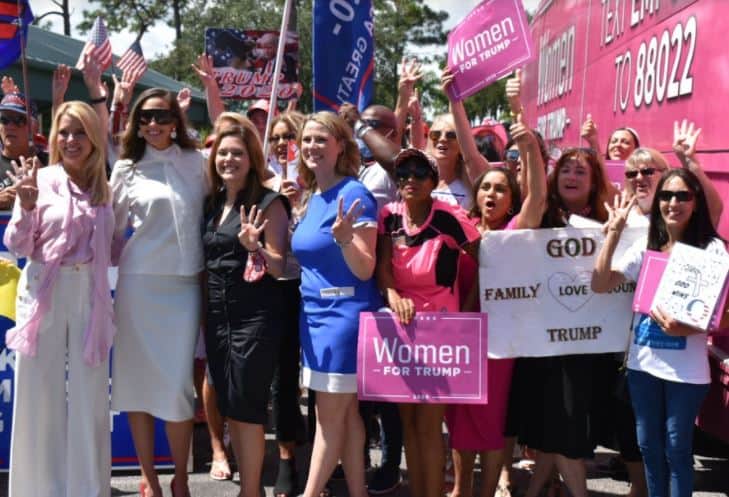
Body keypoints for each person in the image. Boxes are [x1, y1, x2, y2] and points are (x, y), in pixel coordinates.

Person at [591, 168, 727, 497]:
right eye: (666, 195)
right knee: (648, 446)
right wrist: (613, 233)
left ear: (696, 202)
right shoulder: (647, 246)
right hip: (643, 366)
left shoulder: (713, 250)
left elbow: (724, 318)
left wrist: (688, 326)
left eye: (683, 195)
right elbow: (600, 284)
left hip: (686, 372)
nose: (673, 202)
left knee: (677, 448)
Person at [3, 101, 114, 497]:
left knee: (91, 393)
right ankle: (37, 489)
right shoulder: (39, 179)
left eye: (80, 132)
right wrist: (27, 207)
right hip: (41, 293)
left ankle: (87, 488)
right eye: (64, 132)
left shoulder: (104, 186)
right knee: (38, 391)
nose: (71, 140)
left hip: (90, 294)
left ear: (93, 138)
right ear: (53, 138)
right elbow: (17, 244)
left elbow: (112, 248)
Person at [445, 106, 547, 497]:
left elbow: (537, 198)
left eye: (500, 189)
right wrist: (454, 102)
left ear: (511, 198)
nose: (490, 194)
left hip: (499, 342)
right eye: (485, 187)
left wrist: (529, 148)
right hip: (459, 336)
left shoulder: (516, 231)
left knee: (487, 423)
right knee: (458, 419)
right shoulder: (460, 225)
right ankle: (461, 490)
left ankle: (486, 492)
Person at [110, 88, 206, 497]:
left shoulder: (197, 162)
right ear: (136, 121)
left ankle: (180, 478)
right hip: (138, 285)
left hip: (185, 287)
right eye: (145, 117)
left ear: (175, 121)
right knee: (136, 384)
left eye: (162, 117)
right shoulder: (126, 168)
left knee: (178, 386)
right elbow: (110, 231)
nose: (153, 125)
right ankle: (148, 476)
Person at [377, 148, 481, 497]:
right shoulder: (388, 216)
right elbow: (383, 268)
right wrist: (392, 296)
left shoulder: (450, 216)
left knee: (428, 424)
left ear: (434, 181)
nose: (410, 179)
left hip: (442, 331)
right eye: (402, 172)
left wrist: (465, 313)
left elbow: (486, 261)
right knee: (407, 422)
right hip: (401, 327)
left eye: (420, 173)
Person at [513, 145, 611, 497]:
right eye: (566, 169)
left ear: (594, 181)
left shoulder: (607, 221)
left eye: (581, 171)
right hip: (539, 341)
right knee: (549, 426)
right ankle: (535, 490)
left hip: (587, 344)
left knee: (566, 426)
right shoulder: (543, 216)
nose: (572, 176)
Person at [291, 112, 381, 497]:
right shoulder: (312, 197)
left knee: (329, 420)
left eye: (321, 139)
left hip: (343, 321)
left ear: (341, 146)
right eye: (307, 139)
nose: (311, 146)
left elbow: (365, 269)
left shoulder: (355, 194)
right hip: (313, 319)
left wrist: (346, 239)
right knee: (346, 415)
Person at [203, 121, 290, 497]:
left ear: (252, 158)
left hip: (254, 317)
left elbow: (280, 265)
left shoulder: (269, 202)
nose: (229, 159)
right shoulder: (212, 202)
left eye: (237, 153)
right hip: (218, 318)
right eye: (223, 153)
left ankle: (252, 490)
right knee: (230, 403)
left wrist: (253, 247)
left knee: (247, 406)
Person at [264, 111, 310, 497]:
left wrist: (300, 206)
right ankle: (286, 459)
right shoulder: (264, 182)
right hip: (278, 289)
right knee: (282, 379)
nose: (283, 143)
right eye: (277, 137)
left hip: (315, 292)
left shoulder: (316, 184)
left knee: (317, 380)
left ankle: (327, 457)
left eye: (289, 136)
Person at [0, 92, 48, 210]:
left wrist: (44, 179)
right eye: (4, 120)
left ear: (35, 127)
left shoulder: (47, 163)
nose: (10, 126)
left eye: (19, 120)